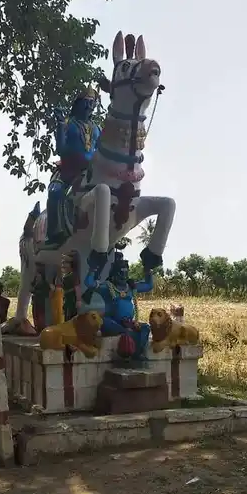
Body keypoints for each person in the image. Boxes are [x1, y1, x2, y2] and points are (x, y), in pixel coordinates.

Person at [46, 86, 101, 243]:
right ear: (79, 104)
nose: (90, 106)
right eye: (87, 102)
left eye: (93, 103)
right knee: (55, 192)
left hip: (92, 171)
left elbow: (102, 149)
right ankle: (54, 233)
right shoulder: (68, 124)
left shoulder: (96, 128)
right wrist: (60, 124)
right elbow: (60, 149)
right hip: (69, 170)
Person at [84, 252, 153, 358]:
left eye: (126, 273)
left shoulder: (130, 287)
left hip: (129, 322)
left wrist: (148, 270)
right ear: (114, 274)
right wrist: (92, 269)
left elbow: (148, 286)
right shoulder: (107, 287)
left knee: (146, 328)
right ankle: (128, 339)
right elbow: (89, 283)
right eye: (120, 273)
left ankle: (138, 352)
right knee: (105, 322)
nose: (123, 277)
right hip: (113, 323)